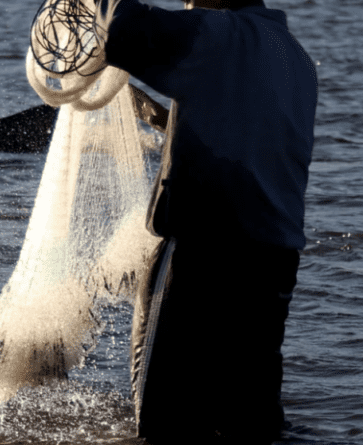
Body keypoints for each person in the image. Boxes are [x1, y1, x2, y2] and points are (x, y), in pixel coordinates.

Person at [100, 0, 318, 443]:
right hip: (271, 268)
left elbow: (121, 31)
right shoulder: (292, 56)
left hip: (203, 262)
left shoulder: (216, 34)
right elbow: (238, 127)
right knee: (249, 422)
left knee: (167, 424)